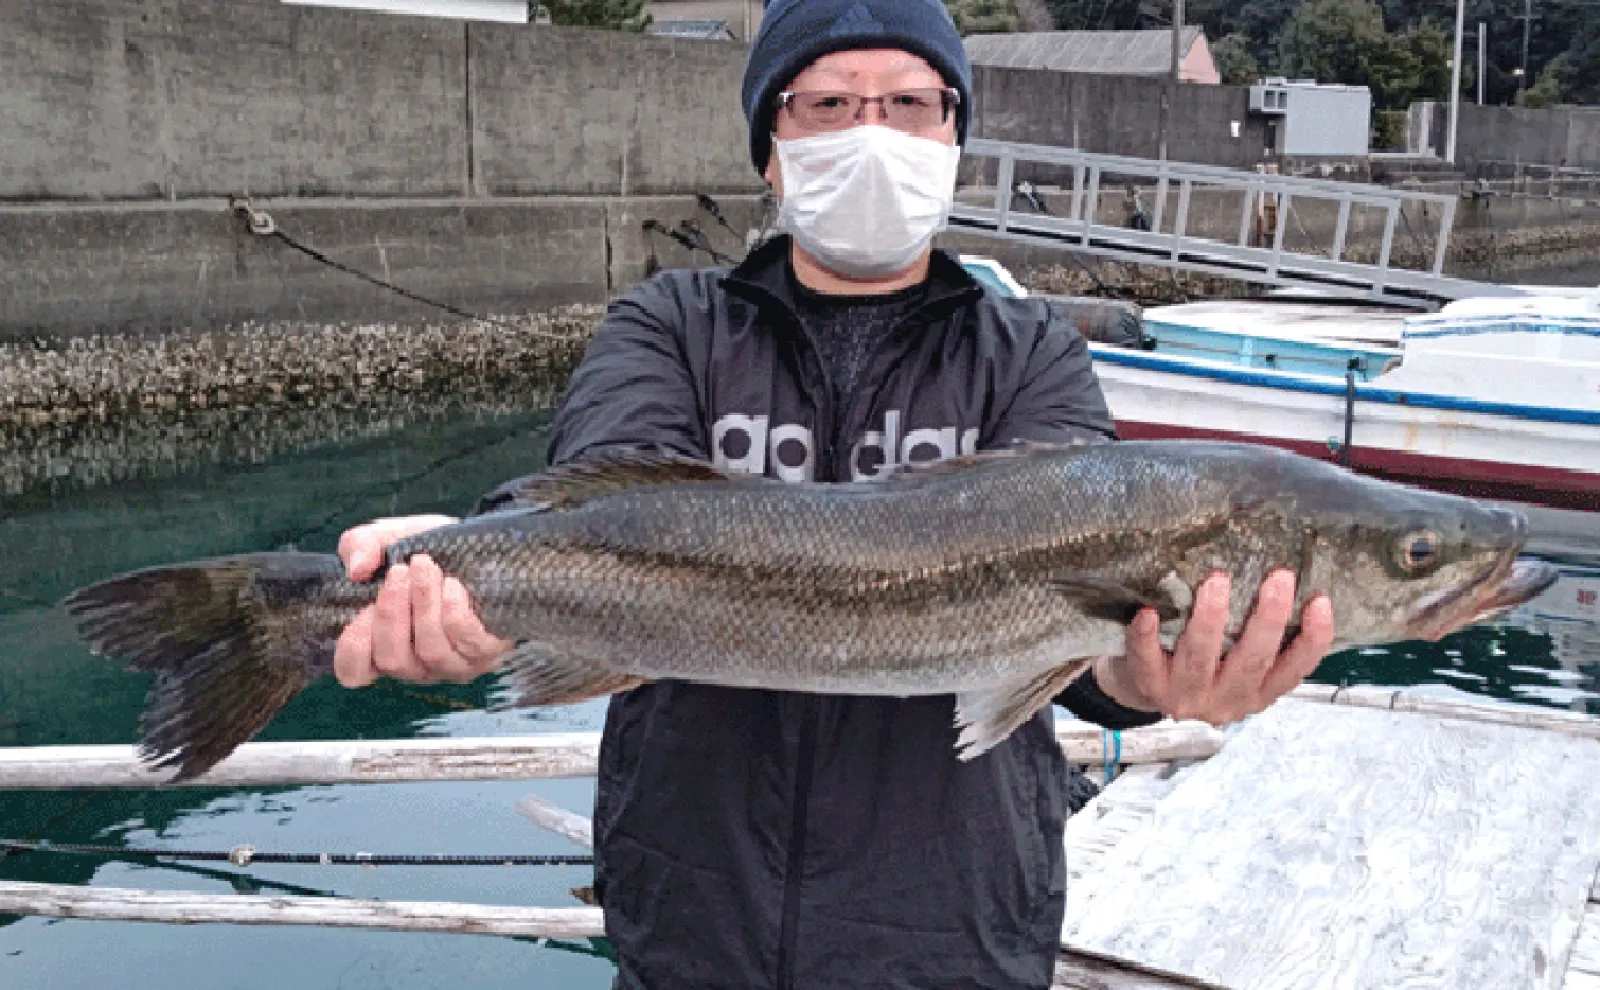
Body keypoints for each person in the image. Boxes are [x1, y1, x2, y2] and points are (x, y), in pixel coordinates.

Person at [331, 2, 1336, 986]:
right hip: (691, 919)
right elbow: (597, 498)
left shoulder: (1029, 351)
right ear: (769, 147)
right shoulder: (670, 325)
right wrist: (463, 568)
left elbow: (1072, 655)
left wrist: (1144, 681)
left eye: (909, 103)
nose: (872, 134)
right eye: (826, 105)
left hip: (954, 932)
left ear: (954, 135)